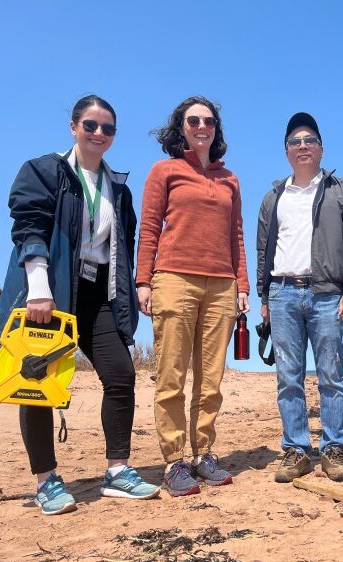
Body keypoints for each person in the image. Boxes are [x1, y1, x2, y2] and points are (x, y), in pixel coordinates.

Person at [0, 95, 160, 515]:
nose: (99, 134)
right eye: (91, 125)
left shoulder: (117, 188)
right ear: (73, 127)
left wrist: (135, 289)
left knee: (121, 375)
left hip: (96, 294)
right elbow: (28, 227)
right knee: (36, 385)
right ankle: (46, 480)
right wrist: (37, 286)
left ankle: (117, 471)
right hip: (49, 293)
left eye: (107, 129)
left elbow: (124, 244)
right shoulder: (43, 171)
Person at [137, 96, 249, 496]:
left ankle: (203, 454)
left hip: (221, 285)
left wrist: (242, 285)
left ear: (216, 128)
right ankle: (173, 461)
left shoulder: (229, 179)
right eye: (193, 120)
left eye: (209, 120)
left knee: (211, 379)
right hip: (173, 279)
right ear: (181, 127)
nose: (202, 126)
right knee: (171, 376)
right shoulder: (164, 170)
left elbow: (236, 234)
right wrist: (143, 281)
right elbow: (149, 227)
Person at [256, 113, 343, 483]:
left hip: (326, 293)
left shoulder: (342, 190)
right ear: (286, 151)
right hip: (282, 292)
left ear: (321, 148)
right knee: (288, 376)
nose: (302, 146)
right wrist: (265, 296)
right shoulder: (273, 197)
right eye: (295, 141)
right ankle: (296, 450)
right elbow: (263, 250)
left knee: (331, 375)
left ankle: (334, 448)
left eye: (309, 140)